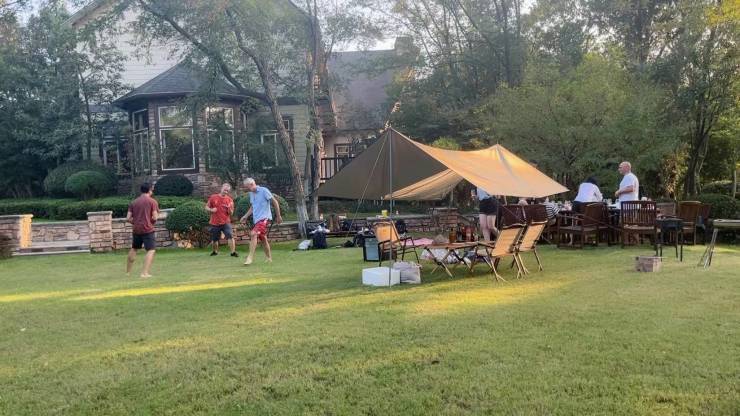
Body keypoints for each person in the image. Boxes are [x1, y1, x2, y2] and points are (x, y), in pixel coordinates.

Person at [240, 178, 283, 265]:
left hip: (265, 218)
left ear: (252, 184)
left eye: (247, 187)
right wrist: (245, 216)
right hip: (257, 220)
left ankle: (250, 258)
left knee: (253, 234)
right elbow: (253, 207)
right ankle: (269, 258)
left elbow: (275, 202)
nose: (247, 189)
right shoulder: (251, 194)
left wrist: (278, 216)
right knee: (263, 239)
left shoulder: (264, 190)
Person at [126, 182, 159, 278]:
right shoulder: (152, 201)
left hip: (136, 229)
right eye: (152, 189)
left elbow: (128, 218)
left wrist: (135, 222)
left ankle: (128, 272)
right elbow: (155, 217)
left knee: (134, 248)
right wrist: (150, 222)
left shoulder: (134, 202)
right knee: (151, 250)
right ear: (149, 190)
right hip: (147, 229)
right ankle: (144, 273)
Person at [206, 183, 237, 257]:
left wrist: (229, 208)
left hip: (226, 222)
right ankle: (215, 252)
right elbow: (206, 207)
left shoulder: (229, 200)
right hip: (215, 222)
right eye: (224, 190)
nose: (225, 192)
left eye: (227, 191)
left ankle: (233, 252)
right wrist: (211, 210)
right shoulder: (213, 197)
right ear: (221, 188)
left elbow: (231, 213)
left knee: (230, 236)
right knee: (215, 239)